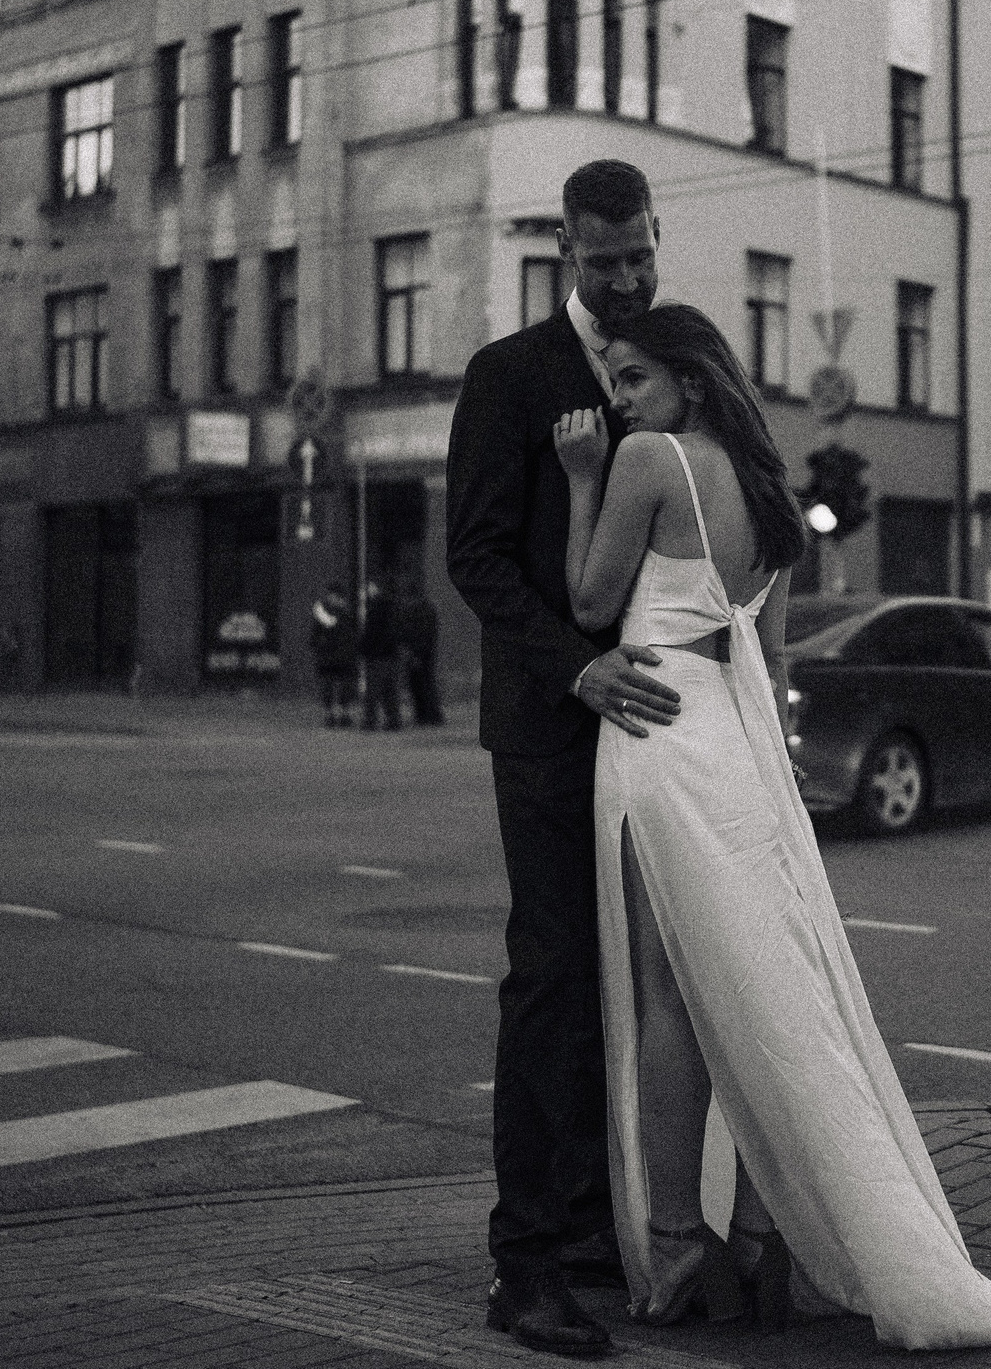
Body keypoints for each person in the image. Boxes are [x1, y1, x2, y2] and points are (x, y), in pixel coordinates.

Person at [553, 303, 991, 1352]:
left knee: (672, 994)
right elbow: (769, 658)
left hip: (659, 729)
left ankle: (677, 1239)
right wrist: (771, 765)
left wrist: (583, 477)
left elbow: (591, 602)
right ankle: (765, 1235)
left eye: (632, 378)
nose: (618, 400)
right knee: (764, 985)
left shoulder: (646, 460)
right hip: (740, 743)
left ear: (687, 378)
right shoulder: (768, 489)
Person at [447, 159, 685, 1359]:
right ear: (565, 252)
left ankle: (601, 1223)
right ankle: (525, 1262)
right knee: (551, 982)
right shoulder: (509, 376)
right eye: (605, 262)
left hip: (660, 729)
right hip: (551, 728)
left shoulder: (674, 366)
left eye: (640, 254)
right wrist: (573, 668)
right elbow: (477, 559)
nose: (628, 278)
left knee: (633, 985)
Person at [395, 581, 447, 726]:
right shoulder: (427, 609)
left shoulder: (417, 611)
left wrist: (414, 652)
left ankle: (427, 714)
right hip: (424, 653)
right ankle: (428, 714)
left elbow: (417, 633)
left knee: (421, 685)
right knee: (423, 684)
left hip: (419, 653)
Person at [311, 588, 358, 727]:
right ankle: (343, 714)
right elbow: (354, 635)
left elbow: (315, 637)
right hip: (343, 657)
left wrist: (319, 647)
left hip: (329, 657)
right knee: (344, 686)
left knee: (329, 686)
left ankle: (331, 715)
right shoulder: (348, 615)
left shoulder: (323, 614)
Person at [359, 581, 403, 730]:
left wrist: (364, 649)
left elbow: (371, 633)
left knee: (373, 690)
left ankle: (370, 720)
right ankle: (393, 720)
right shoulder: (393, 607)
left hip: (376, 656)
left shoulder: (375, 609)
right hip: (391, 654)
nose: (367, 590)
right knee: (390, 690)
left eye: (370, 587)